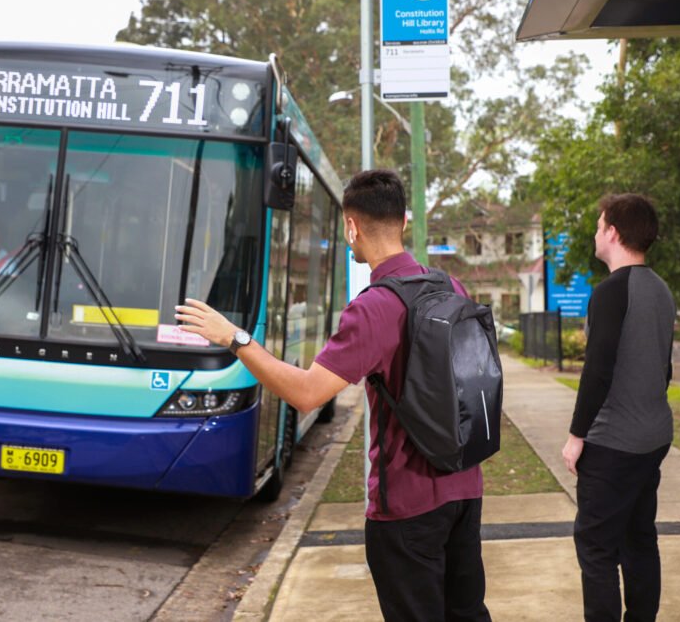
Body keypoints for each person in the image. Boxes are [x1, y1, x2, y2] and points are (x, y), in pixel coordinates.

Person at [175, 169, 490, 622]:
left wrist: (235, 339)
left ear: (351, 227)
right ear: (403, 221)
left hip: (406, 507)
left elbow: (306, 394)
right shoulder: (450, 286)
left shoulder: (374, 307)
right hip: (464, 488)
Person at [561, 193, 675, 622]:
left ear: (612, 232)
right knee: (640, 537)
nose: (595, 232)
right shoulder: (662, 289)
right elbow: (662, 369)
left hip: (613, 446)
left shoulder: (611, 291)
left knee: (596, 547)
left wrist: (577, 436)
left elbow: (598, 371)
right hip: (653, 439)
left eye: (598, 224)